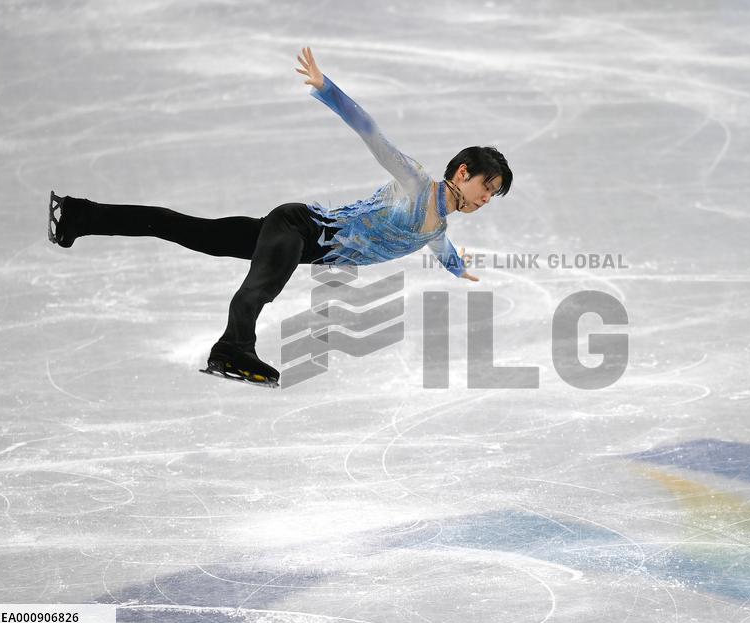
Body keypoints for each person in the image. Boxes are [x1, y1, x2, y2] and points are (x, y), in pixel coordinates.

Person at [47, 46, 512, 387]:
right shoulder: (415, 181)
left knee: (184, 228)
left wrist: (457, 268)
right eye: (486, 188)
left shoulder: (438, 225)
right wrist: (327, 88)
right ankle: (233, 348)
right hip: (297, 226)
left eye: (493, 195)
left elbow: (439, 245)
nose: (486, 199)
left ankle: (77, 216)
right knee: (262, 286)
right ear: (463, 172)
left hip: (302, 243)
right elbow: (371, 132)